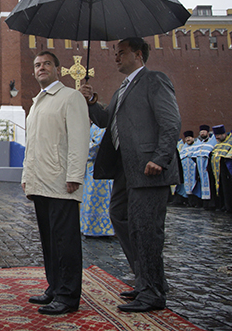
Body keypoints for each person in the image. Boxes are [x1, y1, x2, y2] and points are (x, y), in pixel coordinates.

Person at [80, 37, 181, 313]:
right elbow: (105, 121)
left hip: (150, 168)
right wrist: (90, 101)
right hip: (127, 168)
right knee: (120, 215)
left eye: (120, 52)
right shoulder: (122, 89)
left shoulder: (154, 80)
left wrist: (160, 158)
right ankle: (147, 279)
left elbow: (171, 121)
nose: (115, 57)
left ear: (137, 54)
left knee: (146, 229)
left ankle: (153, 292)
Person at [22, 51, 89, 315]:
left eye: (47, 64)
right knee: (49, 241)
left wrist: (74, 175)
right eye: (37, 65)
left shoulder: (70, 97)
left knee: (66, 242)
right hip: (40, 182)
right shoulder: (37, 103)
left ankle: (68, 295)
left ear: (57, 69)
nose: (41, 68)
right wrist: (26, 176)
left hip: (62, 182)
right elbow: (31, 146)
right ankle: (54, 287)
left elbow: (79, 138)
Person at [81, 123, 114, 237]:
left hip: (98, 168)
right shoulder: (94, 126)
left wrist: (80, 150)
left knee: (98, 199)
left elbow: (96, 146)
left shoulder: (101, 126)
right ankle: (88, 226)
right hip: (90, 169)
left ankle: (103, 229)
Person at [210, 125, 232, 212]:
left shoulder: (230, 141)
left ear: (224, 134)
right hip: (218, 171)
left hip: (226, 170)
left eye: (219, 135)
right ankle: (223, 205)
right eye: (216, 136)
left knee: (228, 189)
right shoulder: (218, 144)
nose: (217, 137)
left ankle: (229, 207)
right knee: (221, 189)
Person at [173, 131, 196, 206]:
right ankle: (185, 200)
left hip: (193, 172)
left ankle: (194, 202)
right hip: (185, 172)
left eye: (189, 137)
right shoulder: (183, 148)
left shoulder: (196, 146)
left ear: (193, 138)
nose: (188, 139)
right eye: (186, 138)